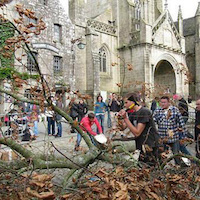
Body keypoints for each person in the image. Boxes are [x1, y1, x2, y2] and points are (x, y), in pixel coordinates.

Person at [118, 93, 160, 165]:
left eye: (126, 102)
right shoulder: (133, 114)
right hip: (141, 145)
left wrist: (125, 118)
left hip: (150, 145)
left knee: (150, 167)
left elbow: (137, 133)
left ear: (132, 102)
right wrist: (120, 119)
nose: (124, 105)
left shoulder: (144, 112)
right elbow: (123, 128)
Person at [153, 96, 187, 165]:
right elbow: (153, 122)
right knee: (162, 154)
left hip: (173, 137)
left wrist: (184, 135)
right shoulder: (157, 111)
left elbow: (181, 123)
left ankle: (178, 167)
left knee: (176, 154)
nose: (162, 104)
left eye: (164, 102)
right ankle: (161, 168)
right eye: (161, 102)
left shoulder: (175, 110)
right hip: (162, 137)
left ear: (168, 102)